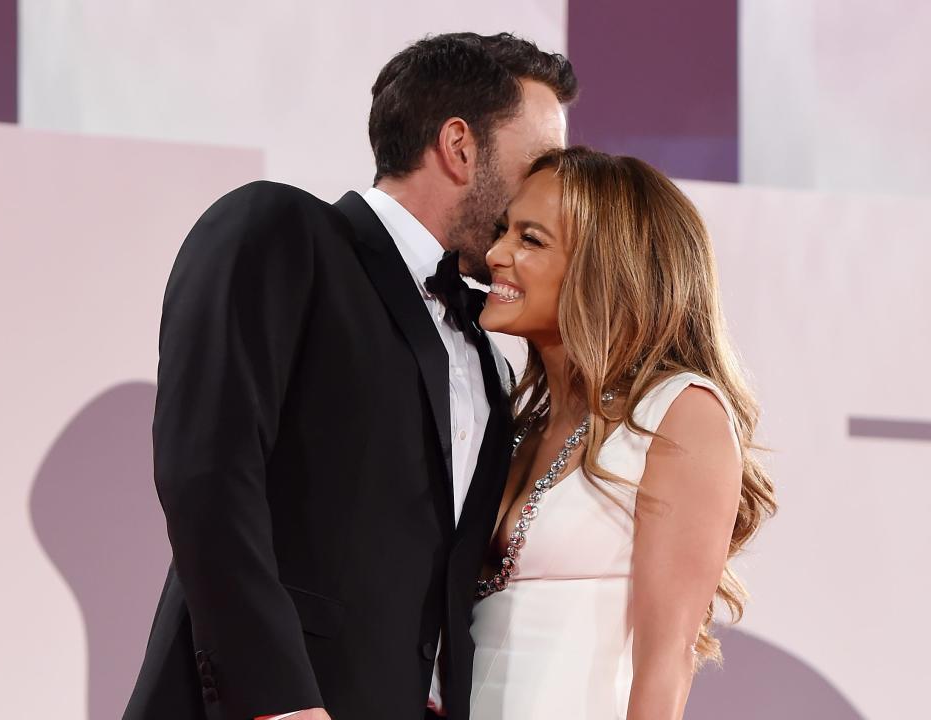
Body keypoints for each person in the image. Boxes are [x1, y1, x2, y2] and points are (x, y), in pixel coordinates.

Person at [123, 33, 577, 720]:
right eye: (540, 162)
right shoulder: (280, 232)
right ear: (460, 147)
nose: (550, 191)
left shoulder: (487, 350)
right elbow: (207, 473)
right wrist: (279, 702)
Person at [469, 147, 777, 719]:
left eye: (530, 239)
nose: (495, 254)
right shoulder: (517, 423)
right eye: (503, 231)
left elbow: (667, 660)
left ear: (604, 266)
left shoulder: (680, 413)